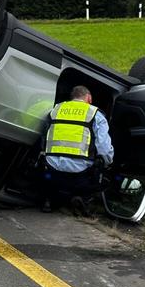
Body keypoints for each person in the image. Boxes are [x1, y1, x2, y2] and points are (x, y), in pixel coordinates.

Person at [41, 85, 113, 214]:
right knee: (102, 177)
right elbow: (104, 147)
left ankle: (50, 199)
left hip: (52, 168)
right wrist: (106, 162)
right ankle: (82, 199)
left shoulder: (56, 109)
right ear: (89, 98)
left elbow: (44, 136)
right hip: (80, 172)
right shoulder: (95, 114)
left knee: (51, 180)